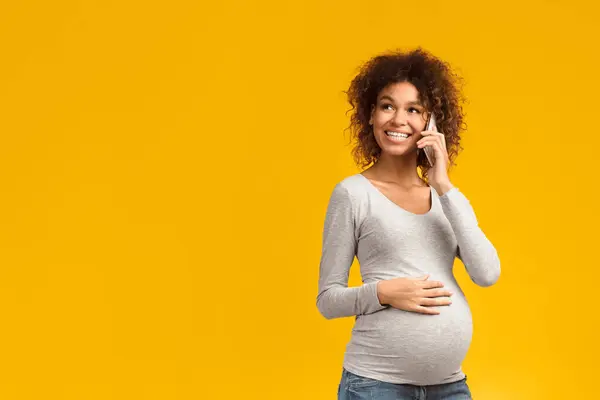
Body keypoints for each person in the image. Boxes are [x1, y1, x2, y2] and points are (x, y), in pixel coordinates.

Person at [316, 48, 501, 400]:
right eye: (387, 106)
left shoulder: (447, 200)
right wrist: (383, 293)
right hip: (374, 385)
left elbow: (487, 273)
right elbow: (328, 300)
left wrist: (443, 184)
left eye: (413, 110)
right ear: (370, 115)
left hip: (450, 387)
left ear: (432, 123)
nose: (398, 119)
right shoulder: (353, 194)